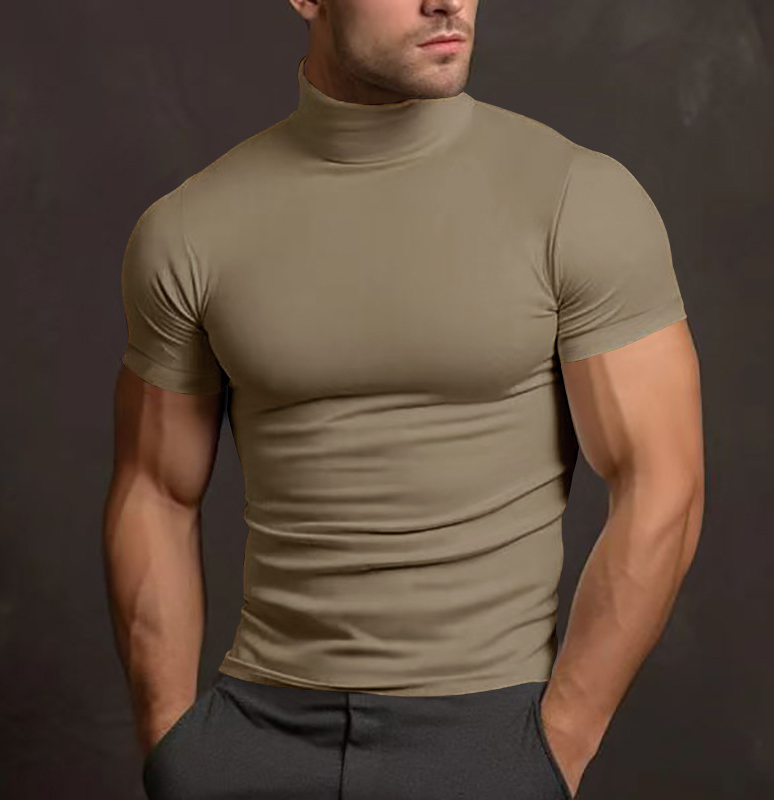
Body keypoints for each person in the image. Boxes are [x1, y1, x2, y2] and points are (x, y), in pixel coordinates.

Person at [102, 1, 705, 798]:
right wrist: (173, 744)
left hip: (486, 736)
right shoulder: (190, 228)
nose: (446, 1)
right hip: (254, 732)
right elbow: (155, 490)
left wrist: (557, 744)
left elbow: (663, 483)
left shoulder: (576, 198)